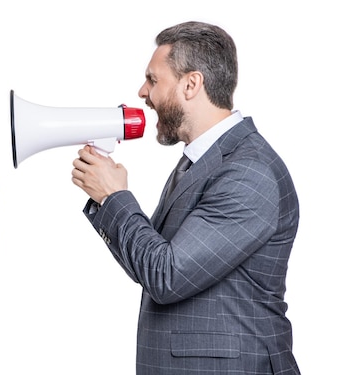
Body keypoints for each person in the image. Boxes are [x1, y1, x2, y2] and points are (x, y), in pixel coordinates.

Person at [71, 21, 300, 374]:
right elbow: (149, 266)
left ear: (191, 84)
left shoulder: (248, 171)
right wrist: (106, 200)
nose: (142, 92)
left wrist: (115, 196)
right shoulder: (199, 162)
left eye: (153, 79)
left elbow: (167, 275)